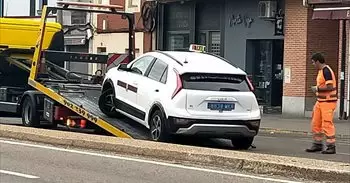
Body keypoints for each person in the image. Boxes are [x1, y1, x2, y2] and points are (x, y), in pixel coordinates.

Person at [306, 52, 337, 154]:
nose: (313, 64)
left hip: (328, 102)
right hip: (321, 101)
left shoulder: (326, 71)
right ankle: (317, 144)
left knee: (327, 123)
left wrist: (317, 88)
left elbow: (330, 86)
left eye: (313, 62)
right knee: (316, 123)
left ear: (318, 61)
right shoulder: (321, 71)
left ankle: (331, 146)